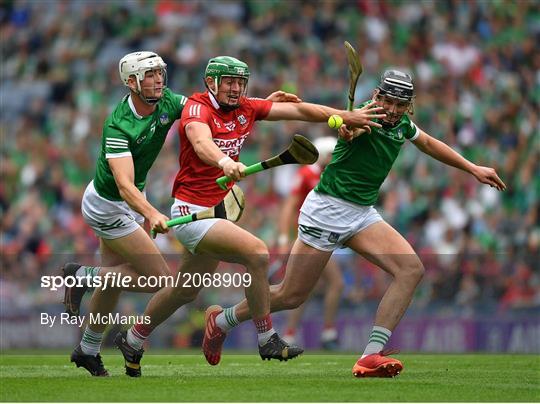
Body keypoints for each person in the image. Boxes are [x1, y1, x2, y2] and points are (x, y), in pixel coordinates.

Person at [201, 69, 507, 377]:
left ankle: (370, 356)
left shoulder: (401, 124)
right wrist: (346, 127)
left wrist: (472, 167)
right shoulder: (365, 116)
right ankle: (223, 320)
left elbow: (427, 143)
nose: (394, 111)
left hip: (362, 213)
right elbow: (347, 129)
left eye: (401, 105)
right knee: (291, 296)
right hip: (327, 210)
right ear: (378, 96)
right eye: (389, 102)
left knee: (410, 269)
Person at [113, 55, 385, 375]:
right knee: (257, 252)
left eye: (241, 82)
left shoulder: (247, 108)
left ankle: (132, 338)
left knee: (184, 289)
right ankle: (267, 337)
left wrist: (342, 115)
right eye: (229, 82)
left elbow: (298, 110)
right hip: (192, 213)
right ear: (211, 82)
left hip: (216, 212)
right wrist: (224, 162)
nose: (236, 88)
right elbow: (201, 143)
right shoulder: (197, 109)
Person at [64, 51, 303, 378]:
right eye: (150, 75)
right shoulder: (118, 124)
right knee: (158, 279)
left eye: (160, 73)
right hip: (109, 205)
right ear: (132, 82)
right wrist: (151, 213)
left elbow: (211, 106)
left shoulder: (167, 102)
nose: (159, 79)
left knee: (123, 279)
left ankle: (88, 350)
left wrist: (257, 103)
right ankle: (80, 277)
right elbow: (123, 185)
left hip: (132, 200)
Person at [276, 137, 344, 350]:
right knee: (334, 283)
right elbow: (289, 206)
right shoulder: (307, 174)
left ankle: (290, 334)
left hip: (325, 236)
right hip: (309, 236)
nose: (335, 157)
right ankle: (327, 333)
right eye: (331, 153)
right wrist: (283, 238)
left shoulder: (333, 173)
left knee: (304, 289)